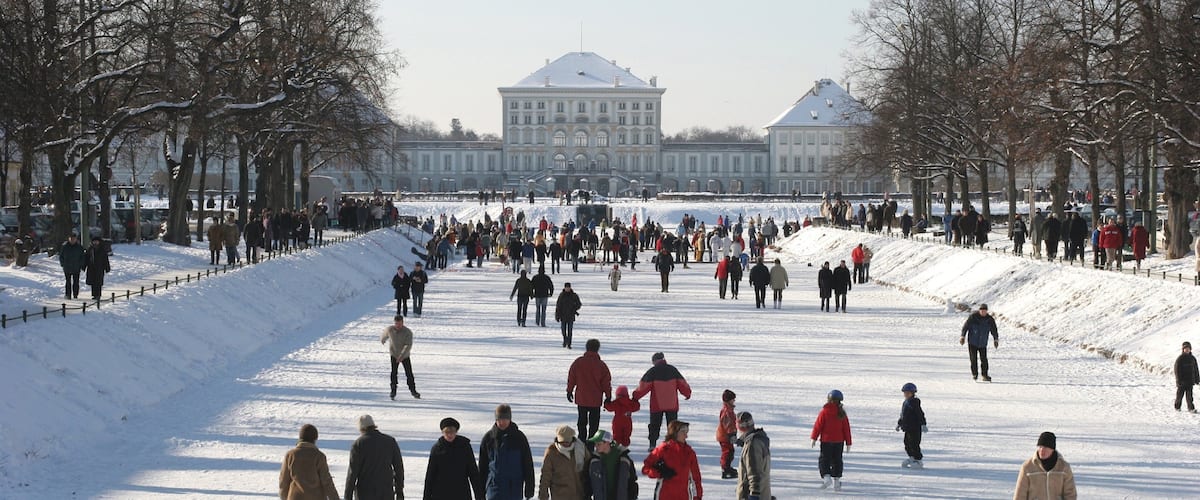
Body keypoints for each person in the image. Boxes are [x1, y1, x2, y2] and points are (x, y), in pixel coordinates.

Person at [632, 352, 692, 451]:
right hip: (672, 404)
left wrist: (635, 396)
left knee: (654, 426)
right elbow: (682, 384)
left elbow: (644, 386)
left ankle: (652, 444)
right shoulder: (672, 370)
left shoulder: (652, 371)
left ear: (655, 361)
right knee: (673, 426)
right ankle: (673, 445)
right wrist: (687, 393)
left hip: (657, 405)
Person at [479, 404, 535, 500]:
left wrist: (529, 487)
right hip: (494, 487)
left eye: (505, 419)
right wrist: (480, 491)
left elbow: (527, 464)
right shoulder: (488, 438)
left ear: (510, 419)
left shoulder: (519, 438)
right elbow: (482, 467)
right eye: (499, 419)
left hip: (514, 488)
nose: (502, 422)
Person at [345, 415, 405, 500]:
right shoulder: (390, 441)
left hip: (365, 494)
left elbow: (352, 473)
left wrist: (348, 496)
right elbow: (399, 468)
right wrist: (399, 491)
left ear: (361, 428)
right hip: (386, 493)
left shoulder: (358, 444)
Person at [567, 338, 612, 451]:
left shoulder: (578, 362)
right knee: (594, 423)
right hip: (595, 399)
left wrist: (569, 390)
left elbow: (572, 377)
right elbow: (606, 382)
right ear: (598, 349)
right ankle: (591, 444)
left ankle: (581, 440)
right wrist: (608, 396)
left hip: (582, 397)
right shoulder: (601, 365)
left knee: (582, 421)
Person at [425, 417, 484, 500]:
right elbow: (430, 476)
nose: (450, 434)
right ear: (442, 432)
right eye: (447, 432)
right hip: (440, 494)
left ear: (456, 432)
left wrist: (479, 496)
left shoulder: (464, 447)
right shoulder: (437, 449)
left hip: (461, 493)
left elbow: (473, 472)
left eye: (452, 431)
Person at [642, 420, 702, 500]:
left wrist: (697, 497)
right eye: (683, 432)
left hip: (683, 496)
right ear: (675, 433)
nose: (686, 436)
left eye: (687, 432)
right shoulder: (663, 450)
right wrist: (660, 473)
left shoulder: (689, 453)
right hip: (663, 495)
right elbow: (645, 469)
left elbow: (696, 478)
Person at [279, 424, 339, 500]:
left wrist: (284, 497)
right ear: (315, 439)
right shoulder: (319, 456)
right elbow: (326, 481)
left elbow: (283, 481)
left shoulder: (290, 455)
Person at [1013, 432, 1077, 500]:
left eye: (1045, 447)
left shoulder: (1064, 468)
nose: (1042, 450)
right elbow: (1019, 495)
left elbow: (1070, 495)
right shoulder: (1027, 467)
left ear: (1052, 449)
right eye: (1040, 447)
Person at [810, 390, 852, 492]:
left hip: (826, 441)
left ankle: (827, 477)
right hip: (839, 442)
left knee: (824, 459)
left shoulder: (824, 412)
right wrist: (848, 443)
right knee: (837, 460)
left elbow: (818, 426)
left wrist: (814, 438)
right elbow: (846, 429)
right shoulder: (842, 413)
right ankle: (836, 482)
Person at [537, 425, 591, 500]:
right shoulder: (551, 452)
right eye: (562, 442)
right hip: (560, 496)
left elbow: (588, 471)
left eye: (567, 441)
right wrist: (543, 495)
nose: (565, 444)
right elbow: (545, 476)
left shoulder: (580, 449)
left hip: (579, 495)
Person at [583, 430, 638, 500]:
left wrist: (632, 497)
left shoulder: (623, 458)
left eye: (598, 444)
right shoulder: (593, 460)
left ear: (607, 443)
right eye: (595, 444)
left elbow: (632, 481)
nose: (596, 446)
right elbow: (587, 481)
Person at [381, 315, 420, 400]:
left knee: (409, 373)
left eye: (399, 324)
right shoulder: (390, 329)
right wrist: (383, 339)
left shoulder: (407, 332)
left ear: (402, 323)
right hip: (394, 354)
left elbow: (408, 345)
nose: (397, 326)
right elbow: (385, 334)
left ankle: (413, 391)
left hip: (404, 356)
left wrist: (401, 356)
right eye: (396, 324)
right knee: (394, 373)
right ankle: (393, 391)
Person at [735, 412, 770, 500]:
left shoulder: (752, 445)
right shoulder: (757, 440)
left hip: (753, 495)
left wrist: (754, 494)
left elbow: (754, 472)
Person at [960, 304, 1000, 382]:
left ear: (986, 311)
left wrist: (996, 339)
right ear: (979, 310)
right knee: (973, 359)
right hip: (972, 342)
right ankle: (975, 374)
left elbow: (994, 330)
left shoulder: (989, 319)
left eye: (984, 311)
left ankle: (985, 375)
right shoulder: (973, 317)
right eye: (981, 310)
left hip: (983, 343)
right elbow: (966, 327)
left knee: (984, 360)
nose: (983, 312)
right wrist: (962, 336)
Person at [896, 382, 927, 469]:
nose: (906, 394)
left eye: (908, 393)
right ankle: (912, 457)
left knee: (914, 444)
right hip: (907, 428)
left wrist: (923, 424)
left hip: (915, 428)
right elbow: (903, 415)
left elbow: (920, 414)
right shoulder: (906, 402)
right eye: (905, 393)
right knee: (907, 443)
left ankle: (918, 460)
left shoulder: (914, 402)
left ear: (913, 393)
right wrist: (899, 424)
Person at [717, 389, 738, 479]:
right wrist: (731, 434)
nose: (734, 401)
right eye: (733, 400)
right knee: (727, 452)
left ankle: (727, 467)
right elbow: (727, 424)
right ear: (728, 401)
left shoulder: (729, 410)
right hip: (724, 436)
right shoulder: (727, 411)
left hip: (726, 435)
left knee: (730, 452)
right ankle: (725, 469)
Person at [82, 236, 110, 301]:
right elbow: (86, 258)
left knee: (98, 282)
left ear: (99, 242)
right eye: (94, 241)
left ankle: (98, 295)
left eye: (97, 241)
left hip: (100, 268)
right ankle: (94, 294)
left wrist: (107, 268)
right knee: (93, 282)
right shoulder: (90, 249)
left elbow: (105, 259)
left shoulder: (102, 250)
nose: (95, 242)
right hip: (91, 268)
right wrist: (84, 266)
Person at [555, 282, 582, 349]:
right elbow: (558, 306)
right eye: (566, 287)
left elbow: (579, 304)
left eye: (568, 287)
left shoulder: (574, 295)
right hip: (563, 315)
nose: (567, 289)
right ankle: (565, 340)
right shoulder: (561, 295)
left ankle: (569, 344)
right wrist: (557, 315)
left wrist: (574, 309)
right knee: (563, 330)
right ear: (564, 288)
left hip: (571, 315)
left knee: (570, 331)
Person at [58, 234, 85, 299]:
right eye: (71, 239)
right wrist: (63, 264)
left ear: (76, 239)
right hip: (67, 267)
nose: (72, 240)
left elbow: (82, 257)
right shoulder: (65, 247)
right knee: (68, 281)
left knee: (76, 282)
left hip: (76, 267)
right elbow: (61, 256)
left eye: (74, 239)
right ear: (69, 239)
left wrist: (80, 264)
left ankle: (75, 294)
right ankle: (68, 294)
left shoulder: (79, 247)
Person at [1174, 341, 1198, 412]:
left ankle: (1191, 408)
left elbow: (1196, 369)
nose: (1187, 350)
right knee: (1180, 395)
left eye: (1188, 348)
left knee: (1189, 396)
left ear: (1190, 349)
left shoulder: (1192, 358)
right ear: (1183, 349)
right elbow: (1176, 370)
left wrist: (1197, 379)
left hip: (1190, 381)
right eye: (1185, 349)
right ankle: (1177, 407)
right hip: (1182, 381)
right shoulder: (1180, 359)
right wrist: (1178, 380)